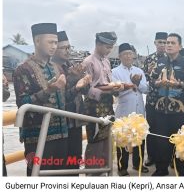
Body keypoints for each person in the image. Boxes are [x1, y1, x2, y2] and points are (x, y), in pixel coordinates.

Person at [13, 23, 68, 176]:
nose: (54, 46)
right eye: (50, 42)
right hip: (37, 138)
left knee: (60, 177)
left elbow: (64, 99)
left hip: (62, 134)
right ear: (37, 41)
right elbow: (23, 104)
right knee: (38, 177)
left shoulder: (57, 68)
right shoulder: (23, 70)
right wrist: (49, 90)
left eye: (56, 42)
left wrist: (79, 84)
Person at [150, 33, 184, 176]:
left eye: (172, 43)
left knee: (181, 143)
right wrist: (156, 83)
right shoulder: (159, 62)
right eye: (167, 43)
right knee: (161, 143)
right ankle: (161, 170)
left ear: (180, 46)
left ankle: (181, 172)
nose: (168, 45)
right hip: (160, 111)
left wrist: (179, 84)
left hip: (180, 112)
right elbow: (151, 80)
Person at [82, 31, 123, 173]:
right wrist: (108, 90)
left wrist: (116, 88)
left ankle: (105, 170)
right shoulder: (88, 62)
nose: (109, 50)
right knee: (95, 141)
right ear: (98, 44)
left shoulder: (106, 61)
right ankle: (93, 173)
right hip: (94, 106)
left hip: (107, 104)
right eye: (107, 47)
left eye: (111, 47)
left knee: (107, 140)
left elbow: (109, 82)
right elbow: (86, 90)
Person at [52, 31, 91, 175]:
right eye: (64, 48)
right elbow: (60, 97)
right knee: (60, 163)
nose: (68, 51)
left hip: (75, 121)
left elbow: (84, 92)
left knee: (75, 160)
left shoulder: (71, 65)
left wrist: (85, 81)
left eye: (69, 47)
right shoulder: (51, 69)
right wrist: (75, 81)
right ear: (54, 48)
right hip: (59, 122)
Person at [112, 43, 149, 176]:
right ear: (119, 56)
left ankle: (138, 164)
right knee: (123, 138)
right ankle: (122, 167)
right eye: (125, 54)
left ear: (133, 55)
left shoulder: (139, 71)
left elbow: (146, 89)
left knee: (139, 137)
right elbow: (116, 91)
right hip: (124, 110)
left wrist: (138, 84)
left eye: (130, 53)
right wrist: (130, 85)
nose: (128, 56)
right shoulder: (115, 72)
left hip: (139, 110)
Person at [142, 32, 167, 167]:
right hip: (152, 100)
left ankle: (166, 157)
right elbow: (144, 79)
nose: (162, 45)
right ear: (155, 43)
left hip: (166, 101)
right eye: (160, 42)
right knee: (151, 129)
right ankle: (151, 156)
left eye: (165, 42)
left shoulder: (171, 59)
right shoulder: (149, 59)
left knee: (165, 130)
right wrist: (149, 73)